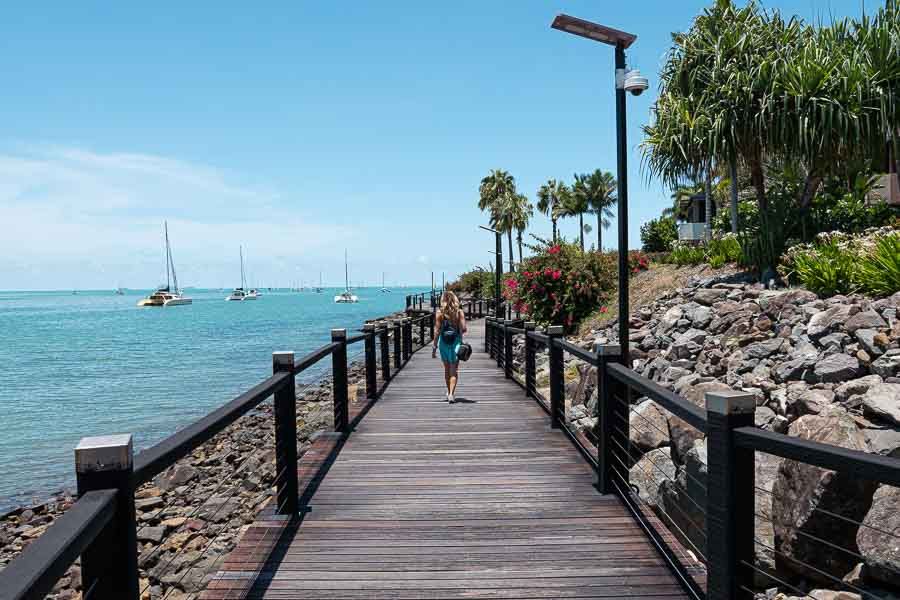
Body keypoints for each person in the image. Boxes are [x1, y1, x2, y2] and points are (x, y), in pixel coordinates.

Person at [432, 291, 467, 403]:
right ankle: (451, 394)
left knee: (447, 369)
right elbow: (464, 328)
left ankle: (448, 392)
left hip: (443, 344)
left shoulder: (439, 313)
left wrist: (434, 347)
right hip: (456, 343)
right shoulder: (459, 312)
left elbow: (437, 331)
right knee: (454, 370)